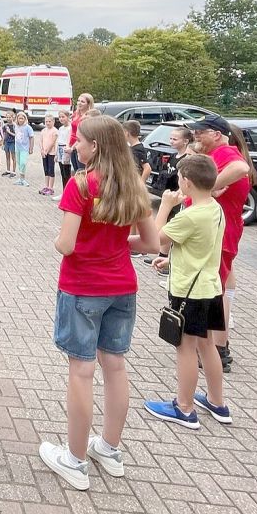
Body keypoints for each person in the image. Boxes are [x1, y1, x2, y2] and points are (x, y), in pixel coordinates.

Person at [40, 116, 158, 491]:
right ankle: (109, 447)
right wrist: (115, 245)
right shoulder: (132, 186)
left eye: (81, 141)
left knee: (81, 371)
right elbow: (152, 244)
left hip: (82, 287)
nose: (75, 145)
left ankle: (74, 459)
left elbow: (67, 244)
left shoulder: (81, 185)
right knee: (116, 367)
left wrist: (60, 242)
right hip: (123, 287)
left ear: (97, 146)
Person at [144, 155, 229, 429]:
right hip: (209, 286)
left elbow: (153, 239)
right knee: (208, 345)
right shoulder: (215, 209)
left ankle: (184, 407)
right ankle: (217, 402)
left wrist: (165, 206)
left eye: (179, 178)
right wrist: (173, 260)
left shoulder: (190, 215)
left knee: (186, 349)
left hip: (189, 292)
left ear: (188, 183)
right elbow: (202, 247)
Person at [182, 116, 256, 372]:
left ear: (216, 134)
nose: (195, 137)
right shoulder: (221, 152)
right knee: (217, 288)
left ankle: (218, 350)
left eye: (199, 133)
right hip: (214, 234)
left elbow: (241, 169)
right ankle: (216, 347)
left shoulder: (226, 153)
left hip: (217, 235)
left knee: (214, 291)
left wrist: (209, 186)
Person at [143, 128, 195, 271]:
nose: (171, 141)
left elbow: (188, 180)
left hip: (178, 198)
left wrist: (178, 196)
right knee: (167, 224)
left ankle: (168, 262)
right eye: (170, 138)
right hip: (170, 195)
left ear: (185, 141)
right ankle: (163, 255)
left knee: (171, 227)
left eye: (175, 139)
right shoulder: (174, 155)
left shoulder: (189, 158)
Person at [68, 93, 95, 171]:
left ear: (88, 104)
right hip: (72, 146)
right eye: (78, 101)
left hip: (81, 146)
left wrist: (73, 147)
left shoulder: (88, 117)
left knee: (81, 170)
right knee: (75, 170)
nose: (79, 103)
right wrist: (68, 145)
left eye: (82, 102)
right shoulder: (75, 114)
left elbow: (84, 135)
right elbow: (71, 131)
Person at [53, 111, 73, 201]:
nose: (61, 119)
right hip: (60, 149)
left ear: (68, 117)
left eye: (63, 117)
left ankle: (68, 194)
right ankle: (64, 192)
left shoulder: (70, 128)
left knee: (67, 172)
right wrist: (56, 154)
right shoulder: (60, 128)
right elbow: (59, 141)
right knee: (62, 173)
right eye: (60, 117)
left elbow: (70, 140)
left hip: (66, 150)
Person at [12, 112, 34, 187]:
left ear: (25, 119)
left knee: (23, 163)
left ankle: (23, 178)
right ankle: (20, 179)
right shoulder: (16, 126)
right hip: (17, 148)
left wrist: (31, 148)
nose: (20, 120)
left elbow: (31, 137)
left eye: (22, 118)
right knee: (19, 162)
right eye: (19, 118)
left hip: (25, 148)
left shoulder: (28, 127)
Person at [39, 114, 58, 195]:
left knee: (51, 170)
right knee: (46, 169)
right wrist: (42, 150)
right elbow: (40, 141)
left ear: (53, 122)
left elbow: (52, 142)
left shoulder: (55, 131)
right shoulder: (43, 131)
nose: (48, 123)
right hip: (44, 153)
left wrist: (46, 151)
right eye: (46, 121)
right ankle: (46, 186)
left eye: (49, 121)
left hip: (51, 153)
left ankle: (51, 187)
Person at [1, 112, 16, 177]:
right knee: (7, 156)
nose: (8, 118)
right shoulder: (5, 126)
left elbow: (17, 135)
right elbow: (4, 134)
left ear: (13, 117)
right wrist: (3, 142)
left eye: (10, 117)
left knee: (13, 157)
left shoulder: (15, 126)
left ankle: (13, 171)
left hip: (13, 142)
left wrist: (9, 132)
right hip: (7, 142)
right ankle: (8, 170)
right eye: (7, 117)